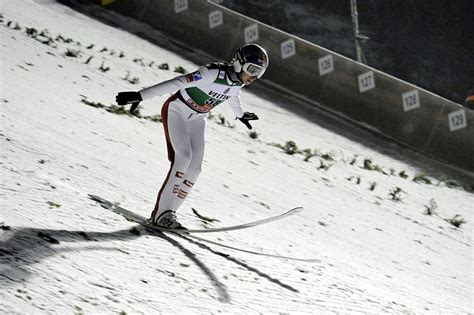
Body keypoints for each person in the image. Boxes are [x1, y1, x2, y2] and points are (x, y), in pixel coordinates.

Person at [115, 44, 269, 229]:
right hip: (177, 111)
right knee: (183, 159)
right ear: (238, 63)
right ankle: (161, 214)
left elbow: (233, 96)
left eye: (259, 73)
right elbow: (178, 82)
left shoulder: (236, 83)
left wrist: (240, 115)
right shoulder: (212, 73)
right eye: (252, 70)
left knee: (194, 170)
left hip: (197, 120)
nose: (254, 76)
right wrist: (141, 95)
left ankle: (170, 214)